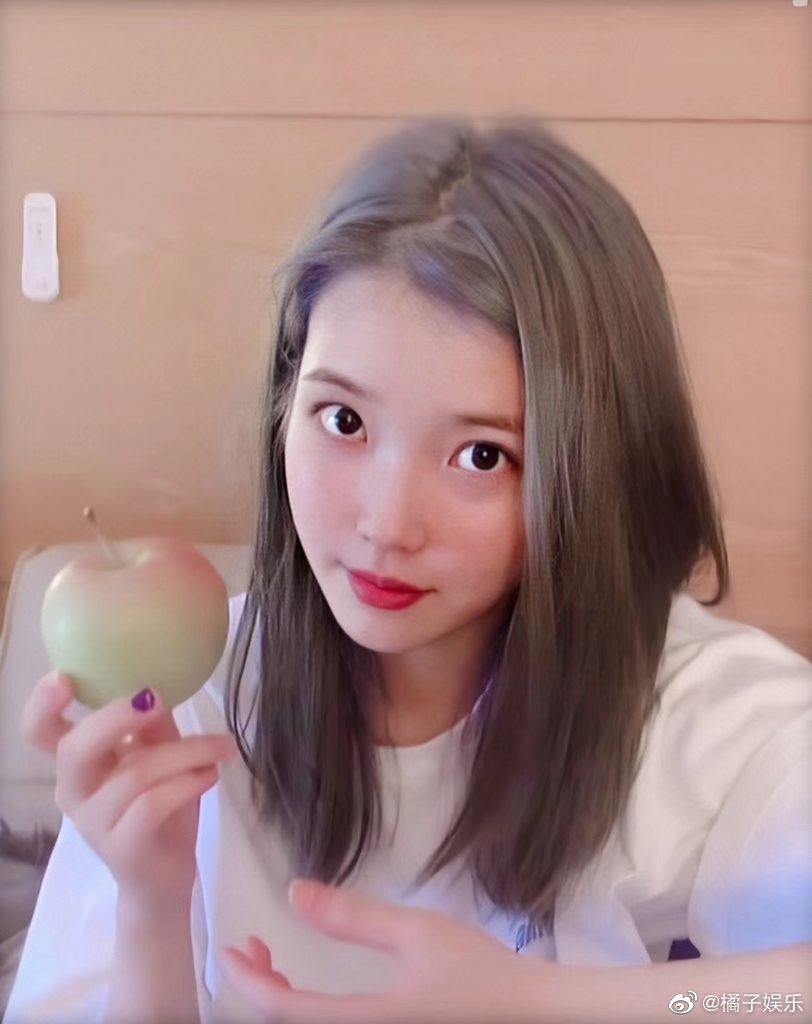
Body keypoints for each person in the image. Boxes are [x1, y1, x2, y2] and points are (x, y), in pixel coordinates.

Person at [6, 117, 811, 1024]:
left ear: (593, 468)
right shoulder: (192, 694)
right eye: (344, 422)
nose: (386, 526)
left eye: (481, 456)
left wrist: (549, 1003)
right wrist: (149, 907)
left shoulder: (705, 714)